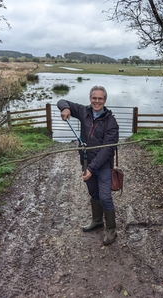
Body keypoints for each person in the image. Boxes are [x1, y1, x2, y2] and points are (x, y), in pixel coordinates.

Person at [57, 85, 119, 245]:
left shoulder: (111, 122)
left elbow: (108, 149)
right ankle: (97, 221)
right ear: (90, 98)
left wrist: (91, 169)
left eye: (100, 98)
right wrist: (65, 108)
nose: (97, 101)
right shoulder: (83, 112)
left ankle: (111, 230)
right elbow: (62, 100)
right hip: (86, 163)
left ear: (105, 100)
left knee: (105, 197)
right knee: (94, 194)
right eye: (94, 98)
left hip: (103, 166)